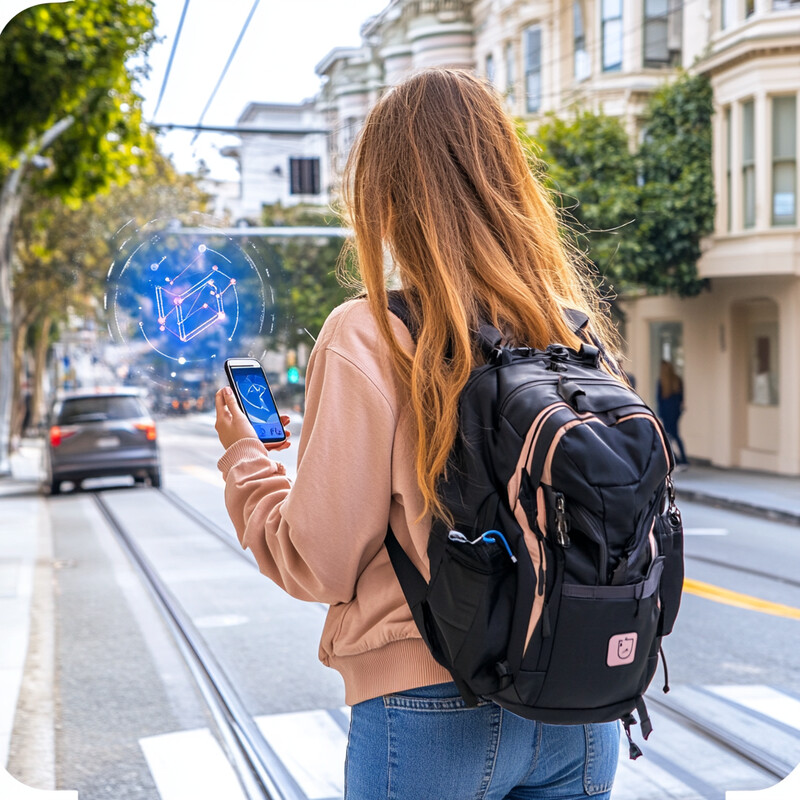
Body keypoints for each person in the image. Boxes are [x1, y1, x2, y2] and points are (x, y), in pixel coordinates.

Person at [215, 69, 620, 800]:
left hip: (429, 704)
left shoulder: (369, 332)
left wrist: (248, 463)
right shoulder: (571, 331)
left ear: (385, 196)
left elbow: (319, 563)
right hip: (580, 702)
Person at [657, 359, 688, 468]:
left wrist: (659, 414)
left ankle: (676, 459)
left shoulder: (661, 382)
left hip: (666, 412)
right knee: (675, 435)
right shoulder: (677, 380)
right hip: (675, 412)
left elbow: (659, 400)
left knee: (667, 436)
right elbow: (681, 398)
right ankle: (682, 459)